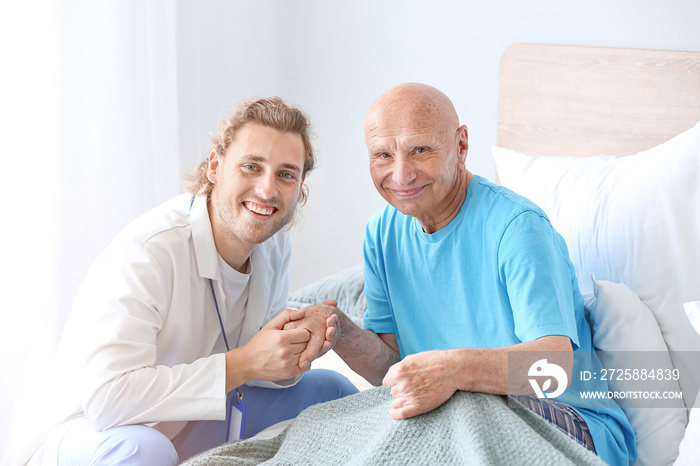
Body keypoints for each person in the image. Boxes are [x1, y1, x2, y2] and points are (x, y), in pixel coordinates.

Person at [291, 83, 636, 465]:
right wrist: (338, 328)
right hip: (453, 415)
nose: (400, 175)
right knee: (325, 427)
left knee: (462, 410)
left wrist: (452, 370)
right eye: (382, 155)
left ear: (461, 145)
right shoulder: (381, 234)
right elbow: (393, 369)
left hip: (574, 425)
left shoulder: (518, 227)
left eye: (419, 150)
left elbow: (553, 368)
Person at [12, 97, 357, 466]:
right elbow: (107, 399)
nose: (268, 190)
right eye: (251, 166)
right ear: (214, 167)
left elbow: (258, 365)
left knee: (331, 391)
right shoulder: (149, 252)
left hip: (188, 419)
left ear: (300, 186)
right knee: (144, 450)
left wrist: (296, 346)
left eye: (286, 174)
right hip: (90, 432)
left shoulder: (272, 242)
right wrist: (242, 364)